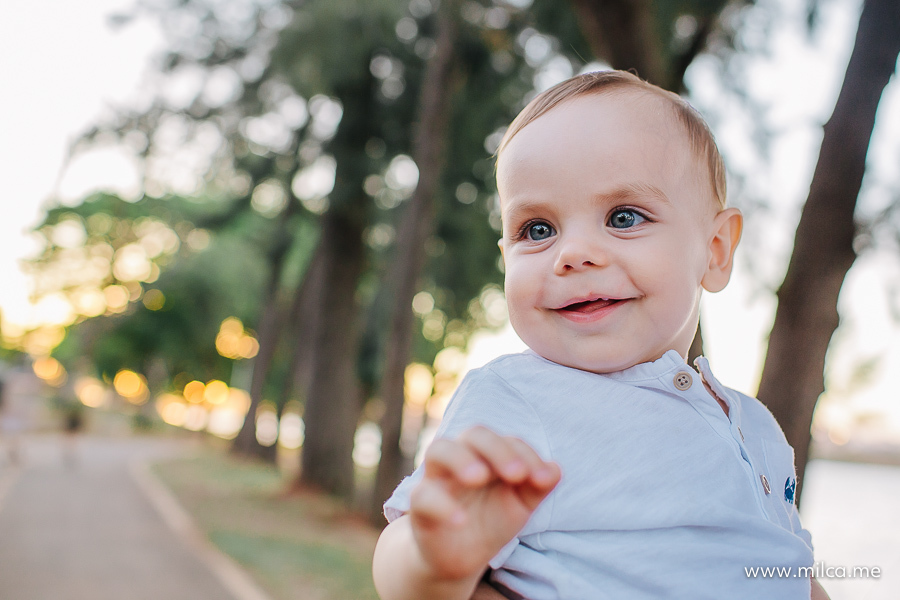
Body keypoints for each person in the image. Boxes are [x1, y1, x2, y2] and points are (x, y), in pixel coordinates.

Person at [372, 70, 829, 600]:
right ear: (506, 261)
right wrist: (435, 561)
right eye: (537, 229)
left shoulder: (757, 426)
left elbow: (788, 567)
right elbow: (402, 540)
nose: (574, 254)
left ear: (716, 250)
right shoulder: (521, 397)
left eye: (624, 216)